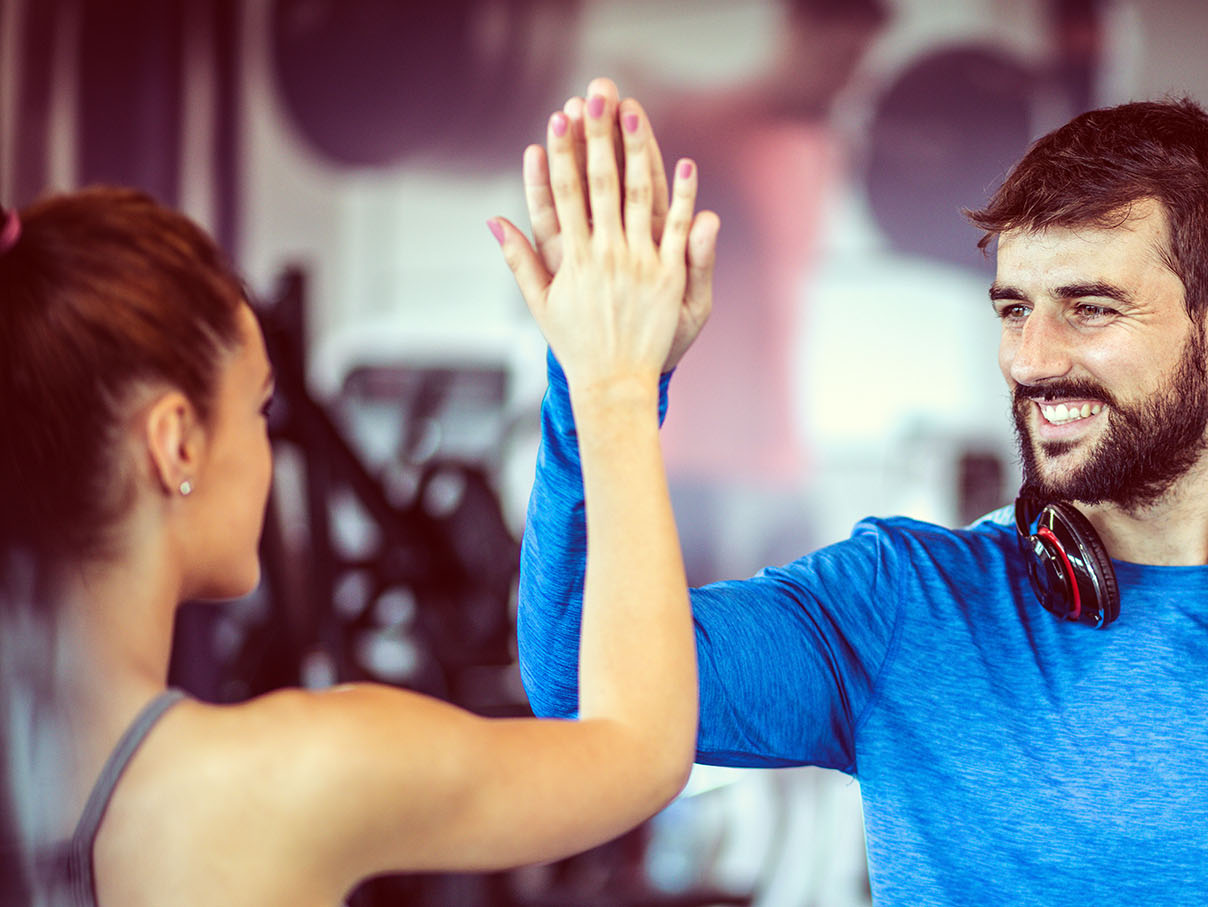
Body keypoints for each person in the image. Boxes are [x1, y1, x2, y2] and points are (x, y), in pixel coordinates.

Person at [515, 87, 1208, 903]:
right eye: (1014, 309)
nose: (1030, 360)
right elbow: (577, 674)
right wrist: (600, 381)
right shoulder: (902, 605)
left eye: (1088, 309)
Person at [0, 82, 709, 904]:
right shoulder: (288, 782)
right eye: (260, 408)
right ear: (177, 443)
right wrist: (617, 382)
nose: (267, 450)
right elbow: (638, 749)